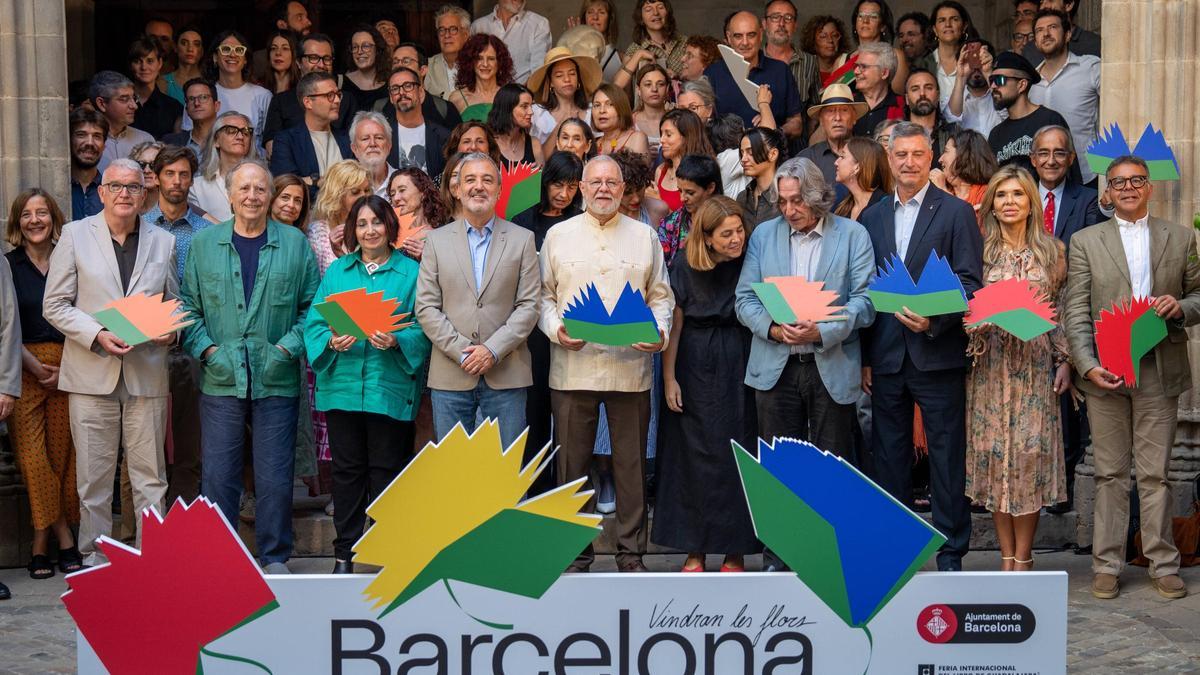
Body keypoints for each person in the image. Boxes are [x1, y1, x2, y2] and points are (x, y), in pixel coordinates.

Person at [1063, 155, 1197, 600]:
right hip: (1105, 373)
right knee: (1110, 474)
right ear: (1107, 191)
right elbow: (1076, 310)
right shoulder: (1084, 241)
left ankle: (1163, 562)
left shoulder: (1180, 238)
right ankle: (1106, 565)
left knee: (1156, 475)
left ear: (1149, 187)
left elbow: (1199, 293)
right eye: (1118, 182)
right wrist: (1086, 365)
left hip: (1160, 367)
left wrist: (1181, 307)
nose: (1127, 188)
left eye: (1136, 180)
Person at [180, 159, 319, 575]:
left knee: (275, 476)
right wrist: (207, 352)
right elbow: (188, 307)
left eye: (261, 189)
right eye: (244, 189)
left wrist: (287, 348)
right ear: (230, 195)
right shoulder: (205, 245)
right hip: (220, 377)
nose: (253, 197)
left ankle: (274, 556)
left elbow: (314, 307)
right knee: (219, 476)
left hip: (276, 376)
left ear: (271, 195)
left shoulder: (295, 243)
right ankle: (220, 556)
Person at [539, 155, 674, 573]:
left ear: (623, 188)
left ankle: (631, 555)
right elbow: (543, 297)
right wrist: (557, 330)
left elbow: (661, 296)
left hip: (630, 367)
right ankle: (574, 554)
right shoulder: (558, 236)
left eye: (611, 182)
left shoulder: (643, 236)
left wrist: (659, 333)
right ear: (580, 187)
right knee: (571, 467)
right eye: (594, 182)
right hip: (571, 366)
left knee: (631, 468)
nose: (603, 189)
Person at [859, 121, 983, 571]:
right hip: (887, 356)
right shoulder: (871, 217)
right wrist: (867, 359)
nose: (909, 163)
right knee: (889, 457)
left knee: (947, 457)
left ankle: (951, 551)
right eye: (900, 155)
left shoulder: (955, 213)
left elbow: (970, 281)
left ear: (930, 159)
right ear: (888, 159)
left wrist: (935, 319)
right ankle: (896, 547)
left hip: (938, 351)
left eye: (917, 155)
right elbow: (865, 287)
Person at [42, 159, 178, 566]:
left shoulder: (163, 241)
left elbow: (174, 303)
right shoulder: (73, 235)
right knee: (94, 480)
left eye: (133, 187)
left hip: (147, 371)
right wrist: (96, 334)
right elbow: (55, 304)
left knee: (151, 478)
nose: (124, 194)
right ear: (101, 192)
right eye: (116, 186)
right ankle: (95, 560)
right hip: (90, 373)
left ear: (144, 194)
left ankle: (155, 559)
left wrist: (172, 331)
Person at [304, 195, 430, 574]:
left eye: (377, 222)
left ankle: (389, 551)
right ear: (352, 231)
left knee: (388, 471)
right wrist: (329, 339)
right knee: (346, 473)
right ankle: (344, 553)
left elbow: (423, 327)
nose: (370, 230)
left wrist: (397, 341)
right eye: (362, 224)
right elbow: (314, 322)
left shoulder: (411, 273)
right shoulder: (339, 271)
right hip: (342, 387)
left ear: (390, 226)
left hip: (387, 387)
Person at [736, 153, 875, 475]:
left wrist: (823, 331)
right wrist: (773, 329)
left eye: (797, 201)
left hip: (831, 363)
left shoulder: (853, 235)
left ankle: (833, 525)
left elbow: (866, 301)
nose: (788, 210)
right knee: (780, 470)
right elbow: (744, 299)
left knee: (833, 469)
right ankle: (782, 528)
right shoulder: (763, 235)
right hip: (775, 366)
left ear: (816, 196)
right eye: (782, 202)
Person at [964, 165, 1069, 571]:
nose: (1009, 202)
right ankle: (1005, 556)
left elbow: (1060, 311)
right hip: (990, 365)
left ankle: (1024, 558)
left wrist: (1065, 361)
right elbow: (965, 310)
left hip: (1035, 367)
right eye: (1002, 195)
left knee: (1028, 458)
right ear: (992, 202)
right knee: (995, 458)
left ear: (1030, 202)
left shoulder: (1053, 252)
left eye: (1017, 195)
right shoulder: (979, 251)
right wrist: (979, 321)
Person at [654, 196, 756, 572]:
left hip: (739, 355)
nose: (736, 239)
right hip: (693, 359)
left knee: (737, 452)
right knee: (689, 456)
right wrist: (669, 378)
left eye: (739, 230)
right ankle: (693, 548)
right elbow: (675, 325)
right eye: (726, 234)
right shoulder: (683, 263)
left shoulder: (750, 260)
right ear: (707, 237)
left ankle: (735, 550)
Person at [415, 152, 541, 449]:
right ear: (456, 190)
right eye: (469, 179)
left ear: (499, 190)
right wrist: (464, 352)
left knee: (504, 472)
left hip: (506, 371)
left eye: (487, 180)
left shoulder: (523, 239)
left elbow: (529, 305)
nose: (478, 186)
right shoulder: (436, 241)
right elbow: (426, 306)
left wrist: (492, 350)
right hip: (451, 373)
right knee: (453, 471)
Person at [5, 190, 82, 579]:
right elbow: (4, 326)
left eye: (42, 213)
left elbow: (84, 312)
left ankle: (39, 547)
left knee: (63, 462)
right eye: (27, 214)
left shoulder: (71, 259)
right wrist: (35, 367)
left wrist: (65, 364)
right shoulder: (7, 266)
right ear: (17, 222)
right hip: (22, 369)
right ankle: (63, 536)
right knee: (34, 461)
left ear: (54, 217)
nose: (35, 220)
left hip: (71, 367)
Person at [140, 146, 210, 503]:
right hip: (147, 345)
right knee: (143, 440)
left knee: (189, 439)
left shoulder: (205, 230)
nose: (177, 181)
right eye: (170, 173)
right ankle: (146, 523)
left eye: (184, 174)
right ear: (156, 176)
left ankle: (185, 511)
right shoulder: (140, 225)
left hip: (192, 342)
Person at [1027, 8, 1101, 186]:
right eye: (1039, 30)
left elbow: (1119, 109)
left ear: (1067, 35)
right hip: (1044, 178)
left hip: (1088, 173)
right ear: (1035, 42)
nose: (1046, 34)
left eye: (1052, 27)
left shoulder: (1090, 68)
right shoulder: (1029, 82)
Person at [704, 12, 802, 133]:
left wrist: (772, 130)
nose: (745, 42)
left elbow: (796, 123)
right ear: (729, 38)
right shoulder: (713, 73)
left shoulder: (780, 71)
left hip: (772, 149)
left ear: (761, 35)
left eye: (751, 35)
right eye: (738, 36)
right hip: (725, 150)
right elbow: (702, 121)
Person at [986, 50, 1075, 181]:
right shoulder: (996, 134)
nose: (993, 86)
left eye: (999, 80)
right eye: (991, 80)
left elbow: (1071, 175)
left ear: (1021, 85)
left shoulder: (1050, 121)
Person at [262, 34, 357, 153]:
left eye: (326, 59)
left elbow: (355, 147)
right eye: (313, 58)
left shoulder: (346, 100)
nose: (321, 65)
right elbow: (273, 150)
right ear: (298, 62)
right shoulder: (280, 101)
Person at [269, 72, 353, 197]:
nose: (337, 100)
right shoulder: (286, 140)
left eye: (338, 95)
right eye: (330, 95)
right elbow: (285, 186)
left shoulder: (347, 139)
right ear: (308, 102)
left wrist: (310, 181)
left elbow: (356, 183)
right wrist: (318, 181)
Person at [1030, 125, 1102, 248]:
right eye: (1043, 153)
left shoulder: (1088, 200)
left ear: (1071, 158)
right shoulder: (1022, 197)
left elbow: (1094, 246)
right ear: (1033, 159)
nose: (1051, 161)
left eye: (1059, 153)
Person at [204, 31, 272, 154]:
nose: (232, 54)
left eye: (239, 50)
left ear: (245, 59)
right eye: (226, 49)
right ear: (215, 57)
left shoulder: (263, 96)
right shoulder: (203, 95)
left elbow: (270, 142)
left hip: (253, 167)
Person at [382, 67, 452, 180]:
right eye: (395, 88)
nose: (401, 92)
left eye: (408, 86)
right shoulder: (382, 135)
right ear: (391, 97)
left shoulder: (443, 137)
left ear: (420, 92)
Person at [189, 110, 259, 221]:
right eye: (231, 130)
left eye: (246, 132)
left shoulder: (262, 185)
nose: (240, 136)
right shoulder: (196, 187)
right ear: (216, 140)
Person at [306, 160, 372, 274]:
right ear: (337, 195)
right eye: (355, 192)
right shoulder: (317, 233)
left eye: (367, 190)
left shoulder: (377, 228)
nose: (364, 196)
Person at [656, 154, 722, 264]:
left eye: (690, 193)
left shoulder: (728, 220)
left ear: (710, 187)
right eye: (680, 191)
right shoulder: (670, 224)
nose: (682, 198)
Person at [762, 0, 820, 122]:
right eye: (775, 17)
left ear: (795, 25)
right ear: (764, 24)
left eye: (788, 18)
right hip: (760, 138)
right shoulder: (755, 60)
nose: (781, 23)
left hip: (799, 139)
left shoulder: (809, 61)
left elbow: (815, 108)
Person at [798, 84, 867, 184]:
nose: (838, 118)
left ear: (854, 118)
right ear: (821, 120)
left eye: (844, 110)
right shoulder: (807, 159)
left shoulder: (868, 154)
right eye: (830, 111)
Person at [471, 0, 552, 85]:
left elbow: (538, 73)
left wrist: (519, 94)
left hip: (523, 94)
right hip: (485, 95)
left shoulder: (538, 24)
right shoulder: (478, 26)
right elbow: (471, 69)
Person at [931, 128, 998, 227]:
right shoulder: (937, 189)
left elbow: (967, 231)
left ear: (964, 155)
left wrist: (943, 191)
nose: (940, 159)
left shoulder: (988, 194)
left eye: (946, 151)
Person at [527, 48, 601, 138]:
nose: (567, 79)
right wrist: (562, 124)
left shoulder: (592, 112)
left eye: (572, 73)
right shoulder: (536, 113)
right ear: (551, 82)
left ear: (578, 79)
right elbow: (537, 151)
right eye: (559, 75)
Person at [91, 71, 154, 174]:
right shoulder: (87, 143)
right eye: (124, 99)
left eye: (134, 98)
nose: (134, 106)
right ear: (102, 104)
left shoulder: (145, 140)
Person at [654, 109, 713, 213]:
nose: (662, 140)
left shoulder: (701, 173)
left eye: (668, 135)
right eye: (661, 134)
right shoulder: (660, 170)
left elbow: (697, 220)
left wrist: (659, 203)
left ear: (687, 137)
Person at [388, 167, 451, 261]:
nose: (396, 198)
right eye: (392, 194)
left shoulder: (446, 231)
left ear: (423, 193)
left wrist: (428, 258)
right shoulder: (389, 235)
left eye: (402, 190)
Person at [945, 39, 1004, 137]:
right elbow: (951, 118)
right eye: (971, 61)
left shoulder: (1001, 92)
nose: (976, 68)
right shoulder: (952, 98)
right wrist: (962, 76)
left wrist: (989, 72)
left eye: (980, 60)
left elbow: (1009, 113)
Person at [128, 37, 183, 140]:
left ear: (160, 63)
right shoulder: (119, 104)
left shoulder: (174, 108)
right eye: (137, 61)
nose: (144, 67)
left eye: (150, 61)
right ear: (131, 66)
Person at [619, 0, 688, 82]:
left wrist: (678, 78)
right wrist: (638, 55)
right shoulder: (634, 49)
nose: (655, 13)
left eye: (660, 7)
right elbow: (618, 86)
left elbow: (699, 80)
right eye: (648, 9)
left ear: (668, 12)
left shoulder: (685, 43)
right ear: (641, 18)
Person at [851, 0, 909, 94]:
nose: (865, 21)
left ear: (882, 26)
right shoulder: (841, 60)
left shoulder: (896, 56)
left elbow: (898, 100)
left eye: (873, 16)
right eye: (861, 16)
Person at [450, 34, 515, 116]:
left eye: (491, 58)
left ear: (500, 62)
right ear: (470, 62)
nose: (485, 64)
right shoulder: (456, 98)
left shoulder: (511, 97)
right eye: (479, 58)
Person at [851, 41, 906, 138]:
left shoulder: (903, 106)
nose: (856, 72)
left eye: (863, 67)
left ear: (884, 73)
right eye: (856, 66)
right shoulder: (848, 103)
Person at [928, 1, 977, 106]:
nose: (948, 25)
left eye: (954, 19)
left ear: (964, 26)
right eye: (942, 20)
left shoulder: (975, 60)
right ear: (934, 29)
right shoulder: (923, 64)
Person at [736, 127, 786, 228]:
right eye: (742, 153)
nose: (743, 159)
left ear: (773, 154)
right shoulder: (742, 198)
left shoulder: (786, 196)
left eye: (750, 152)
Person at [1021, 0, 1101, 62]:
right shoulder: (1030, 50)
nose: (1043, 7)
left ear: (1068, 5)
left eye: (1050, 0)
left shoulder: (1094, 44)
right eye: (1041, 2)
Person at [834, 137, 892, 221]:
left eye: (842, 157)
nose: (836, 162)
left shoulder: (885, 207)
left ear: (857, 167)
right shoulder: (841, 205)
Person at [488, 84, 546, 168]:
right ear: (507, 108)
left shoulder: (534, 143)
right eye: (524, 106)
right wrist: (516, 177)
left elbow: (542, 179)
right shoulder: (487, 142)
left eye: (531, 106)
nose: (531, 112)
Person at [163, 78, 221, 161]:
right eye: (191, 99)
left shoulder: (230, 141)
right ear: (186, 108)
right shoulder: (170, 142)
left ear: (216, 106)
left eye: (203, 97)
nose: (197, 103)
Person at [905, 68, 957, 157]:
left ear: (938, 96)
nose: (922, 93)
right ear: (906, 99)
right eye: (915, 89)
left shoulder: (954, 134)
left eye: (928, 88)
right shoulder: (894, 134)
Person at [341, 25, 390, 115]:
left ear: (378, 49)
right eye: (355, 47)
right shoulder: (341, 84)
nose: (359, 51)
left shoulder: (390, 84)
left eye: (366, 46)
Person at [612, 149, 669, 226]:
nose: (636, 199)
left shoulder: (658, 210)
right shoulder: (601, 214)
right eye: (627, 192)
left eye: (639, 189)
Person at [345, 111, 395, 198]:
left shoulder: (405, 183)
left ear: (389, 145)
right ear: (354, 149)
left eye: (379, 138)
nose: (372, 143)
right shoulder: (344, 185)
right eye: (365, 139)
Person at [69, 108, 108, 219]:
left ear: (104, 145)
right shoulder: (57, 187)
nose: (90, 143)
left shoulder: (112, 190)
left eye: (97, 136)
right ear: (69, 140)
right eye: (81, 135)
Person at [426, 5, 471, 99]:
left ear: (465, 35)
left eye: (453, 29)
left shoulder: (478, 64)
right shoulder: (428, 67)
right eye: (442, 30)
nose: (446, 35)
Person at [592, 83, 650, 156]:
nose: (602, 110)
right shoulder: (592, 144)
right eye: (597, 105)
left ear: (622, 108)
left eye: (610, 104)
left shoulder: (636, 138)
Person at [573, 0, 623, 82]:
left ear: (610, 19)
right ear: (584, 18)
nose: (595, 17)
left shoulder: (621, 58)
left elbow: (626, 94)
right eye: (590, 12)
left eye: (601, 12)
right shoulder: (573, 53)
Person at [632, 65, 672, 157]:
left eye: (660, 84)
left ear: (667, 89)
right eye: (648, 84)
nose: (654, 89)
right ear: (638, 90)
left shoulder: (678, 120)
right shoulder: (629, 122)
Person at [801, 15, 852, 86]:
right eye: (823, 36)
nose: (830, 40)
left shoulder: (850, 67)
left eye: (834, 35)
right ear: (812, 41)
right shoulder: (804, 70)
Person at [164, 28, 204, 105]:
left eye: (196, 44)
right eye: (184, 43)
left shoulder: (210, 81)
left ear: (202, 51)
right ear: (175, 47)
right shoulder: (163, 82)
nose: (190, 49)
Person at [130, 141, 165, 215]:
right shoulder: (125, 202)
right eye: (141, 164)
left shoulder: (174, 206)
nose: (147, 170)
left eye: (154, 165)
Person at [263, 29, 301, 95]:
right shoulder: (259, 87)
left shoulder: (302, 89)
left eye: (285, 48)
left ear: (294, 54)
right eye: (273, 48)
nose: (278, 53)